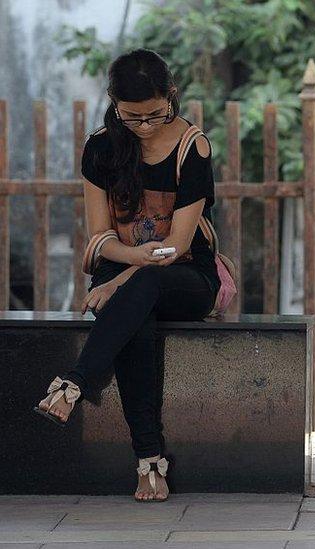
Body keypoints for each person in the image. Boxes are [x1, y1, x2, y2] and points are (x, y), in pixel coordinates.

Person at [34, 49, 219, 502]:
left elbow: (177, 245)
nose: (146, 126)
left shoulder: (191, 146)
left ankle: (75, 382)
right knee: (137, 320)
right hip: (125, 268)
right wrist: (127, 264)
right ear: (115, 105)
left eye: (155, 114)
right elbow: (99, 237)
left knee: (142, 290)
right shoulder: (100, 147)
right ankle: (149, 464)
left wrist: (123, 277)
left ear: (171, 95)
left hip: (186, 277)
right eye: (132, 117)